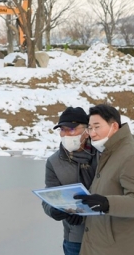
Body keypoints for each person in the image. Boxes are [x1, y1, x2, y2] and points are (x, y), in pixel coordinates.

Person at [74, 104, 134, 255]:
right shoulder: (108, 152)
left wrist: (106, 203)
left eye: (97, 127)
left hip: (121, 248)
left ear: (114, 126)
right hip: (101, 244)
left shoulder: (131, 156)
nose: (92, 133)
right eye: (90, 128)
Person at [42, 107, 97, 255]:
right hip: (75, 239)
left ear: (86, 131)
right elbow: (49, 198)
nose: (65, 134)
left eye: (71, 129)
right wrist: (55, 211)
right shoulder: (54, 162)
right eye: (62, 130)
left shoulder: (102, 155)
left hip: (105, 235)